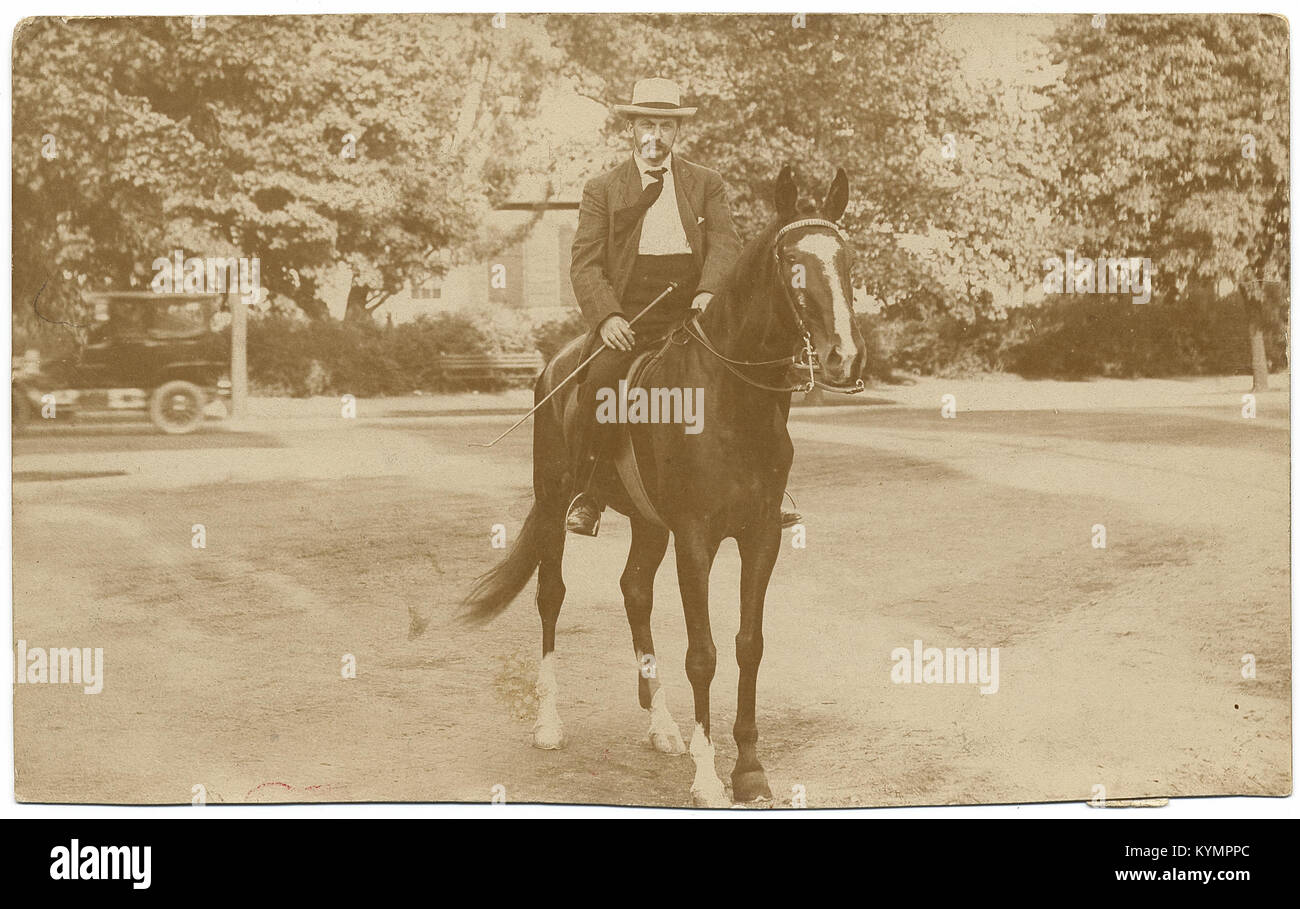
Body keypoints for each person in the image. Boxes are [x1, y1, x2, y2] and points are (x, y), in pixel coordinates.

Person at [565, 77, 800, 536]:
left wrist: (708, 292)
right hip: (630, 313)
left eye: (665, 126)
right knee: (601, 384)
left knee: (769, 374)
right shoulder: (603, 188)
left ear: (677, 131)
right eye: (646, 125)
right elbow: (585, 264)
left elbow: (724, 243)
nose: (656, 135)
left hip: (695, 311)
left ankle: (770, 490)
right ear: (631, 128)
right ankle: (589, 492)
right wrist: (608, 316)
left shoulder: (705, 183)